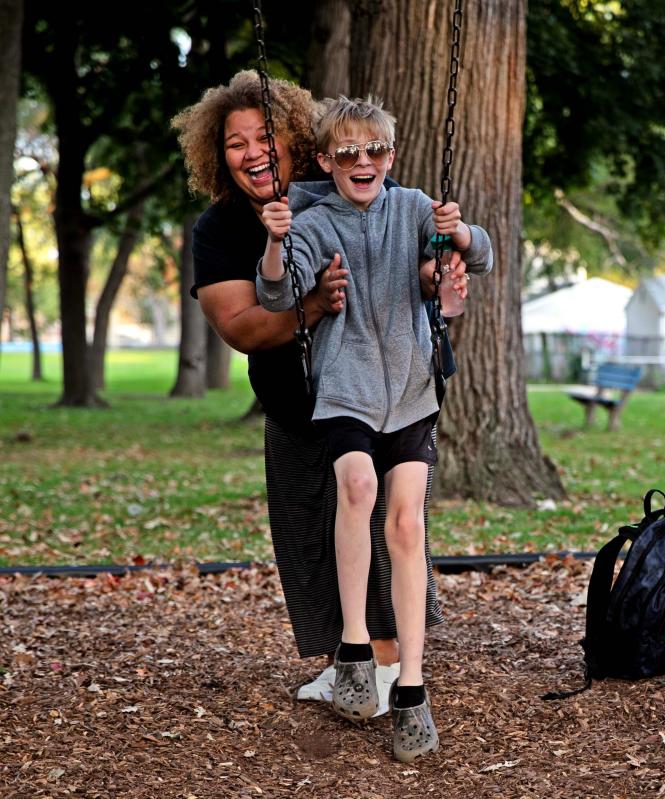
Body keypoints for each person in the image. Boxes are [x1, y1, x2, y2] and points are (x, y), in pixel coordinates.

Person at [170, 71, 466, 701]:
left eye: (264, 136)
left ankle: (390, 662)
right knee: (307, 531)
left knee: (385, 519)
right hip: (292, 397)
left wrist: (436, 270)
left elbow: (393, 258)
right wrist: (310, 307)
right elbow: (242, 326)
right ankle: (347, 662)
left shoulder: (333, 192)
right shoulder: (221, 228)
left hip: (371, 391)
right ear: (217, 156)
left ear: (298, 142)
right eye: (235, 142)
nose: (252, 152)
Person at [256, 95, 493, 761]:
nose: (364, 163)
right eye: (348, 153)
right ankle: (355, 647)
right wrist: (276, 242)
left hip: (413, 392)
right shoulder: (307, 216)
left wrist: (456, 242)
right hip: (346, 391)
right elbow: (276, 293)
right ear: (327, 160)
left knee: (408, 525)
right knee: (356, 489)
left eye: (376, 152)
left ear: (390, 156)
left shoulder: (415, 207)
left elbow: (481, 257)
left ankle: (413, 688)